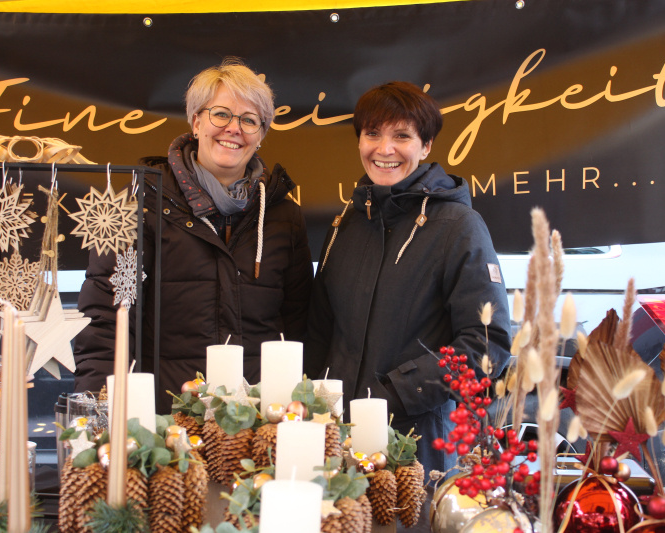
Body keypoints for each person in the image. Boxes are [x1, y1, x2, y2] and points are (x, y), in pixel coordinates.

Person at [74, 59, 313, 413]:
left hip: (259, 423)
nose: (234, 128)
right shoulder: (139, 205)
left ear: (261, 135)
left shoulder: (284, 217)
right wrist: (100, 412)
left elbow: (298, 327)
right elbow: (107, 321)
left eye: (249, 120)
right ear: (196, 122)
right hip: (165, 422)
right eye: (221, 114)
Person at [305, 81, 511, 474]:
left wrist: (397, 393)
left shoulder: (458, 226)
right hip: (333, 440)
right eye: (373, 134)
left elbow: (488, 342)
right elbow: (319, 333)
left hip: (413, 445)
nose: (384, 149)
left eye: (402, 136)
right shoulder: (345, 223)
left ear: (426, 146)